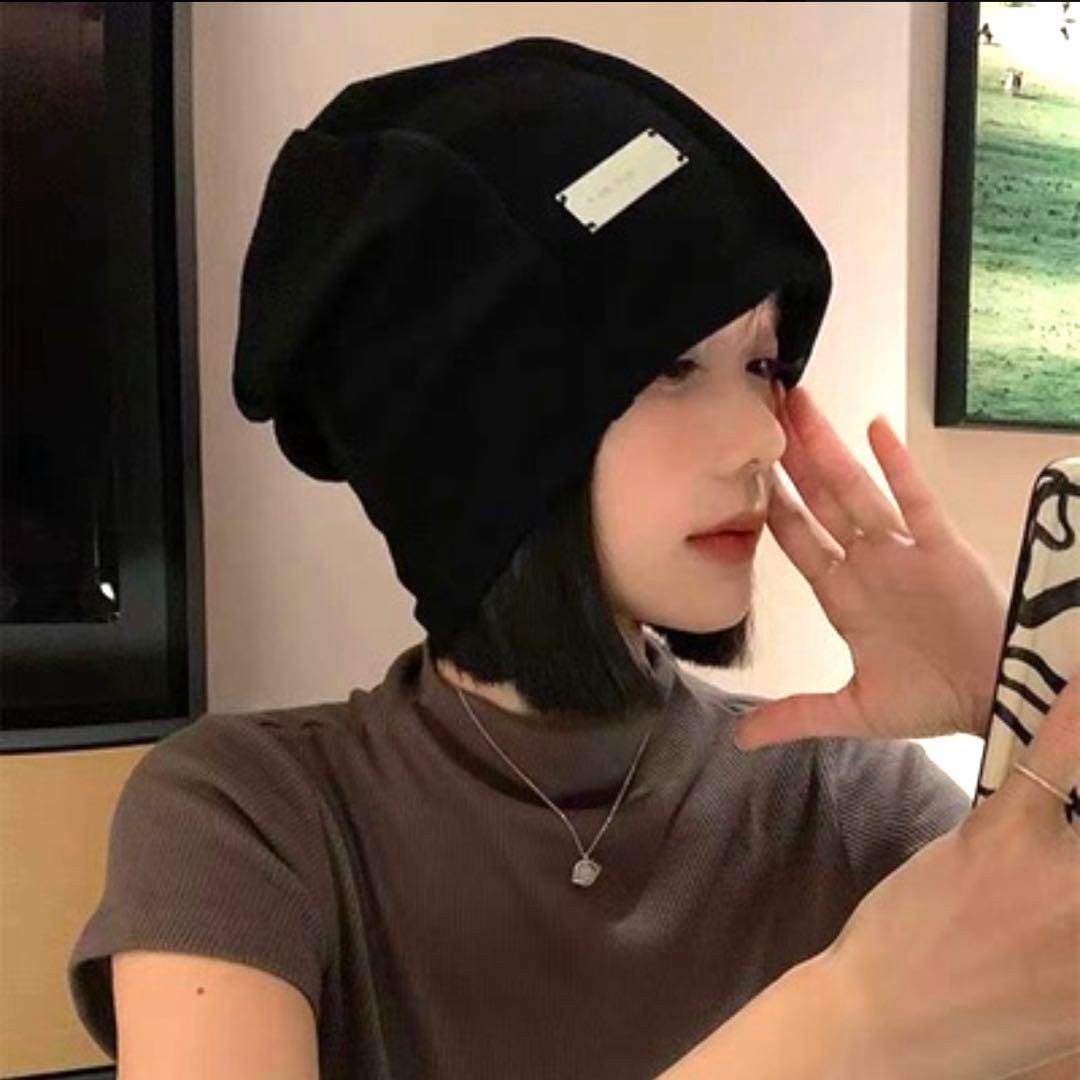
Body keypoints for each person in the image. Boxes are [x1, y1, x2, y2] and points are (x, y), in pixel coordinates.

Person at [66, 36, 1079, 1079]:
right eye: (674, 367)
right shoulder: (247, 818)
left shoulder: (846, 804)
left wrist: (1012, 695)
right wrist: (853, 1018)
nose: (764, 438)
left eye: (762, 364)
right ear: (473, 435)